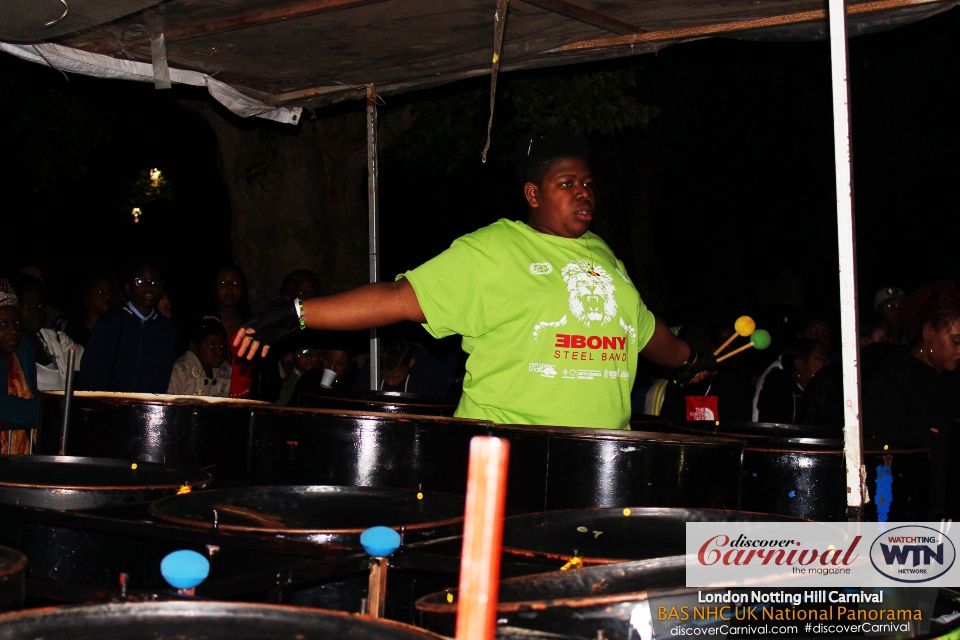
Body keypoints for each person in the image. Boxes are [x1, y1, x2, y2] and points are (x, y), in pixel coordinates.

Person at [233, 131, 714, 429]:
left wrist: (690, 359)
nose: (582, 193)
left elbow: (643, 329)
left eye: (587, 183)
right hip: (509, 451)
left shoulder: (605, 256)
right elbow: (399, 298)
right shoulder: (495, 248)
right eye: (566, 184)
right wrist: (296, 314)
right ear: (532, 194)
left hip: (598, 459)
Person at [863, 281, 960, 517]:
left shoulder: (951, 378)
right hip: (902, 510)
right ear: (928, 332)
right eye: (956, 342)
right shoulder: (894, 377)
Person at [81, 265, 176, 393]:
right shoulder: (111, 320)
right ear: (128, 288)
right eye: (141, 281)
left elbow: (163, 375)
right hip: (108, 405)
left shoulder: (165, 328)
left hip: (145, 407)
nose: (149, 287)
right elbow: (91, 368)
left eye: (155, 282)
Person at [751, 315, 832, 421]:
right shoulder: (778, 377)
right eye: (814, 333)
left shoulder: (821, 383)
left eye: (825, 335)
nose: (821, 339)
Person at [13, 276, 82, 391]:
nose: (36, 312)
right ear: (15, 308)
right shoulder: (9, 347)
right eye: (28, 306)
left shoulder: (57, 341)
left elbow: (91, 362)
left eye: (40, 306)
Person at [206, 266, 255, 398]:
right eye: (223, 283)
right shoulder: (203, 323)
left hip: (246, 399)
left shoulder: (253, 324)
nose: (230, 288)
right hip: (208, 398)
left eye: (235, 283)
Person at [0, 282, 38, 454]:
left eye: (16, 323)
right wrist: (48, 412)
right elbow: (4, 409)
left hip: (19, 456)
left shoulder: (23, 349)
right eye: (3, 325)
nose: (13, 331)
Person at [756, 339, 829, 423]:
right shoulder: (778, 389)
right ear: (800, 364)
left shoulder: (822, 391)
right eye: (821, 356)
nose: (827, 362)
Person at [354, 340, 448, 395]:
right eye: (385, 376)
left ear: (410, 363)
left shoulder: (428, 369)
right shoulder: (369, 368)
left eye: (396, 377)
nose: (390, 382)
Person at [168, 318, 231, 397]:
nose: (219, 351)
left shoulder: (225, 371)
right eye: (211, 346)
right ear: (194, 347)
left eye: (222, 346)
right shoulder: (182, 370)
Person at [54, 275, 118, 347]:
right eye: (101, 292)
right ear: (86, 297)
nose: (108, 296)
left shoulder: (115, 333)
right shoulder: (70, 328)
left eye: (111, 293)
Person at [276, 332, 323, 406]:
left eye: (313, 352)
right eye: (303, 352)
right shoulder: (284, 383)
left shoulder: (325, 380)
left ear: (321, 355)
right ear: (294, 355)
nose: (308, 357)